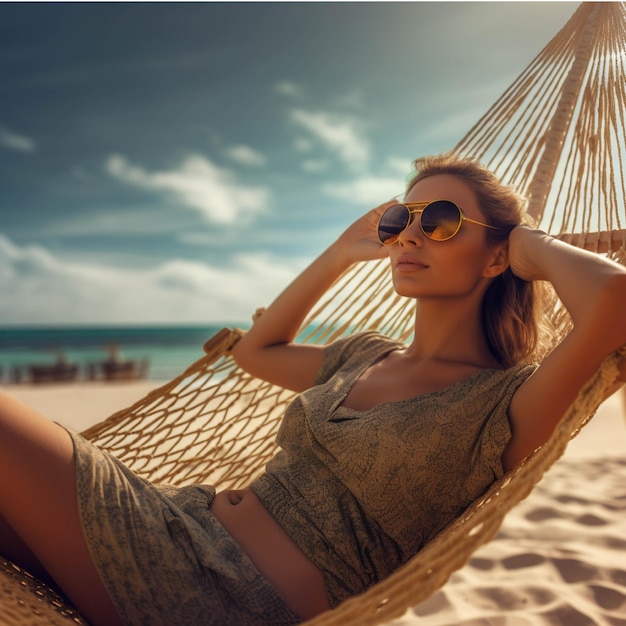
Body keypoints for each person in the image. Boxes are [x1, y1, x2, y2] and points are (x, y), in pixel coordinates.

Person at [1, 154, 625, 626]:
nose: (407, 235)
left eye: (439, 222)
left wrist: (528, 243)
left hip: (223, 596)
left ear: (497, 258)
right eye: (398, 220)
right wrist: (337, 254)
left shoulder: (510, 401)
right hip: (179, 521)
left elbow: (614, 301)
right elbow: (255, 351)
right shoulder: (364, 353)